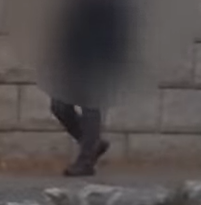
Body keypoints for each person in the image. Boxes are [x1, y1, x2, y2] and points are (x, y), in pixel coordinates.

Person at [41, 0, 134, 177]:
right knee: (59, 105)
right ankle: (93, 145)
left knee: (91, 107)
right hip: (73, 59)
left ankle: (86, 162)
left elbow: (122, 31)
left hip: (98, 59)